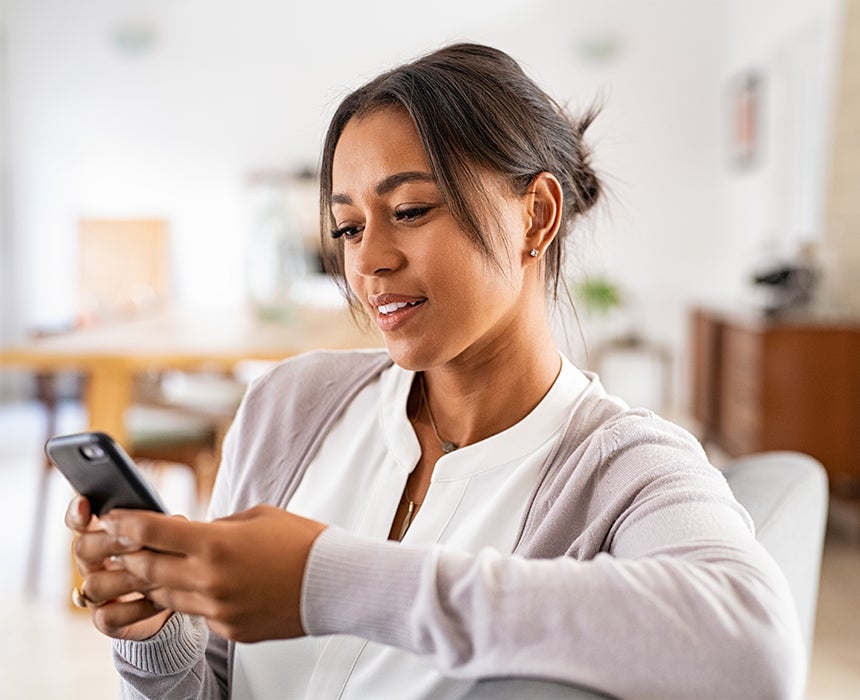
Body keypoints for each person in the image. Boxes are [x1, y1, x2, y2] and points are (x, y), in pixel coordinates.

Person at [65, 42, 804, 699]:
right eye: (348, 227)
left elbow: (757, 653)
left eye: (412, 210)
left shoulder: (622, 466)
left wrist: (325, 583)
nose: (368, 260)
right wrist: (157, 633)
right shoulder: (288, 405)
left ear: (536, 216)